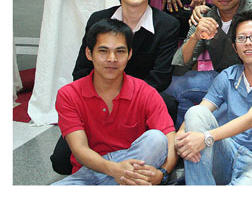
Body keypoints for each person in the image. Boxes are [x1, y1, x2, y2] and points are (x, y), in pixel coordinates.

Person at [50, 0, 181, 175]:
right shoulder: (99, 19)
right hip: (99, 98)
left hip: (139, 101)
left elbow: (160, 77)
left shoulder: (167, 25)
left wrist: (128, 98)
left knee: (166, 104)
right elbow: (81, 70)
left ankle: (138, 155)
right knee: (61, 162)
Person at [175, 10, 252, 185]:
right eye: (241, 38)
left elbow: (251, 118)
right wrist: (181, 136)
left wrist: (205, 138)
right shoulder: (228, 75)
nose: (248, 43)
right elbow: (202, 109)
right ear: (235, 47)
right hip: (227, 153)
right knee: (196, 112)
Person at [52, 19, 177, 185]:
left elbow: (170, 141)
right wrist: (115, 169)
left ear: (129, 54)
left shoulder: (146, 92)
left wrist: (162, 173)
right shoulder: (68, 94)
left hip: (133, 165)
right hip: (90, 173)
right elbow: (79, 149)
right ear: (89, 53)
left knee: (156, 139)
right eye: (103, 51)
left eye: (120, 51)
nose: (112, 59)